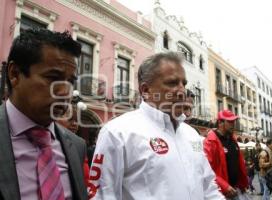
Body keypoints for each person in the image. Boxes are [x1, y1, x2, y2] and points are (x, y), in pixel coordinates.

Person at [88, 52, 225, 200]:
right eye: (172, 83)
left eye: (183, 84)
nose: (182, 91)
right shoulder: (116, 133)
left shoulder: (192, 134)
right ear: (146, 90)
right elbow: (102, 195)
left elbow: (208, 186)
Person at [0, 29, 88, 200]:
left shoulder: (77, 146)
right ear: (14, 74)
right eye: (53, 77)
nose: (65, 92)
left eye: (70, 82)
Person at [204, 110, 248, 199]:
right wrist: (224, 186)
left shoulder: (233, 139)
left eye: (234, 121)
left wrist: (243, 184)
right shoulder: (210, 142)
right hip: (221, 193)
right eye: (230, 121)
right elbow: (207, 169)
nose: (233, 124)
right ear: (220, 122)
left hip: (236, 190)